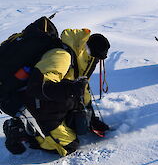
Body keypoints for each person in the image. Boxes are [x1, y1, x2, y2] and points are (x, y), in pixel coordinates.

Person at [3, 28, 110, 156]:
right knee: (67, 146)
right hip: (32, 102)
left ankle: (44, 125)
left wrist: (91, 119)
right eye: (97, 57)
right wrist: (71, 89)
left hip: (52, 101)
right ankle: (19, 129)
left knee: (77, 125)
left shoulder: (81, 59)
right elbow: (36, 88)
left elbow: (83, 92)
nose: (97, 61)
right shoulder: (62, 56)